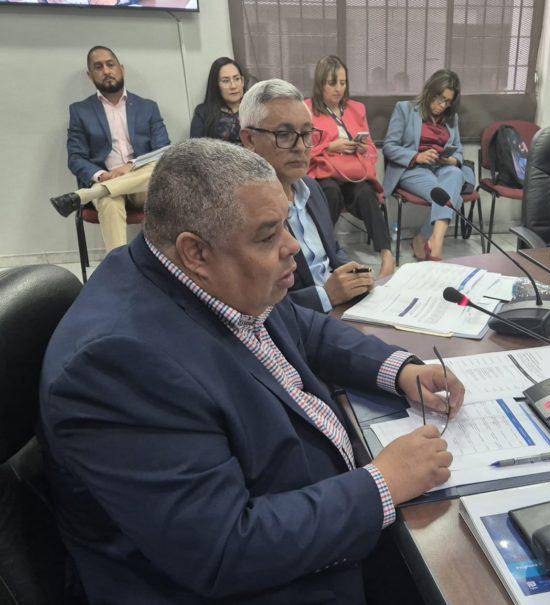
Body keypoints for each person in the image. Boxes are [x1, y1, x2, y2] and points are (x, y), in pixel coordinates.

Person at [39, 138, 463, 605]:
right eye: (268, 235)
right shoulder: (118, 364)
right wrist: (383, 483)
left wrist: (400, 370)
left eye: (286, 224)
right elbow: (224, 549)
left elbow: (305, 328)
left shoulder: (212, 273)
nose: (293, 247)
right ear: (196, 253)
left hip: (316, 521)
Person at [239, 78, 375, 312]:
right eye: (284, 134)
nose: (301, 147)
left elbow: (333, 249)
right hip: (302, 321)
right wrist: (325, 296)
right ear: (250, 139)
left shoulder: (311, 188)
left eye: (306, 133)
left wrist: (354, 274)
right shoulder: (243, 212)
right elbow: (253, 306)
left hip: (343, 307)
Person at [51, 46, 170, 252]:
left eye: (110, 64)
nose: (106, 71)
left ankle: (85, 195)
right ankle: (120, 267)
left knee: (162, 164)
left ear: (121, 69)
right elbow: (76, 158)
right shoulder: (80, 111)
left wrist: (131, 166)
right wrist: (102, 176)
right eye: (98, 67)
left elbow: (163, 150)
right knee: (108, 201)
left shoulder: (147, 107)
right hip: (105, 179)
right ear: (90, 76)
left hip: (142, 185)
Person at [306, 55, 395, 278]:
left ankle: (387, 255)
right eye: (332, 83)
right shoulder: (307, 109)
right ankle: (325, 253)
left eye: (343, 83)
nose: (339, 89)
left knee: (366, 194)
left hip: (353, 173)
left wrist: (362, 148)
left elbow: (372, 149)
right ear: (320, 84)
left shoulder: (356, 109)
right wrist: (330, 146)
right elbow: (303, 150)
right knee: (330, 192)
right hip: (324, 173)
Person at [383, 69, 475, 262]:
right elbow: (389, 147)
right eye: (439, 99)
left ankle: (432, 240)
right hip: (413, 169)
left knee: (455, 174)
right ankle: (431, 242)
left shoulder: (451, 118)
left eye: (447, 102)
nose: (442, 105)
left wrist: (451, 160)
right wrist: (417, 156)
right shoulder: (405, 109)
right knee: (453, 197)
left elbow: (458, 151)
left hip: (441, 167)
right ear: (429, 91)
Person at [190, 56, 246, 145]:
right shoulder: (203, 112)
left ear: (242, 81)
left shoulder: (255, 108)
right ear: (216, 85)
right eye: (226, 81)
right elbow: (194, 148)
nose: (233, 86)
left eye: (237, 79)